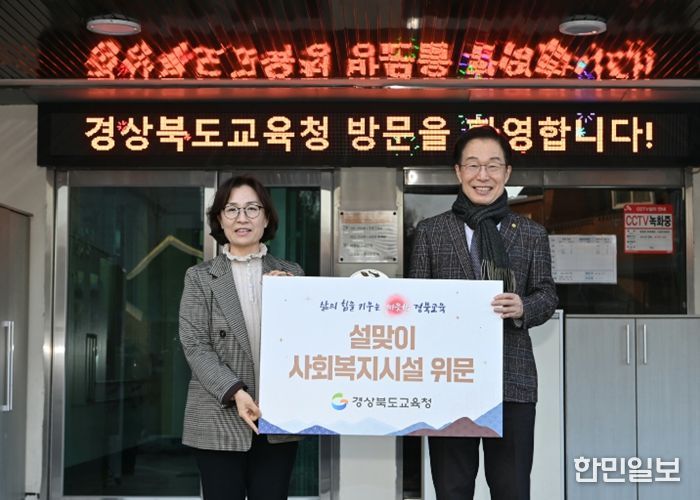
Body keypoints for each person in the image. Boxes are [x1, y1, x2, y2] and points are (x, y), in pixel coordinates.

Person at [409, 126, 558, 500]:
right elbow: (415, 303)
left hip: (512, 380)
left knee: (511, 488)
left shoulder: (531, 234)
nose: (483, 175)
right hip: (448, 380)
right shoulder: (431, 231)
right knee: (452, 488)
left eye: (493, 165)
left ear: (507, 172)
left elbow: (547, 295)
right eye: (473, 165)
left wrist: (523, 306)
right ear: (458, 172)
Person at [179, 175, 303, 500]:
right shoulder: (199, 277)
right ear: (220, 219)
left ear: (267, 217)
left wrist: (290, 298)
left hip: (276, 417)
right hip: (218, 416)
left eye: (252, 208)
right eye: (232, 209)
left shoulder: (292, 275)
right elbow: (195, 345)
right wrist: (235, 392)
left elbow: (305, 344)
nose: (242, 218)